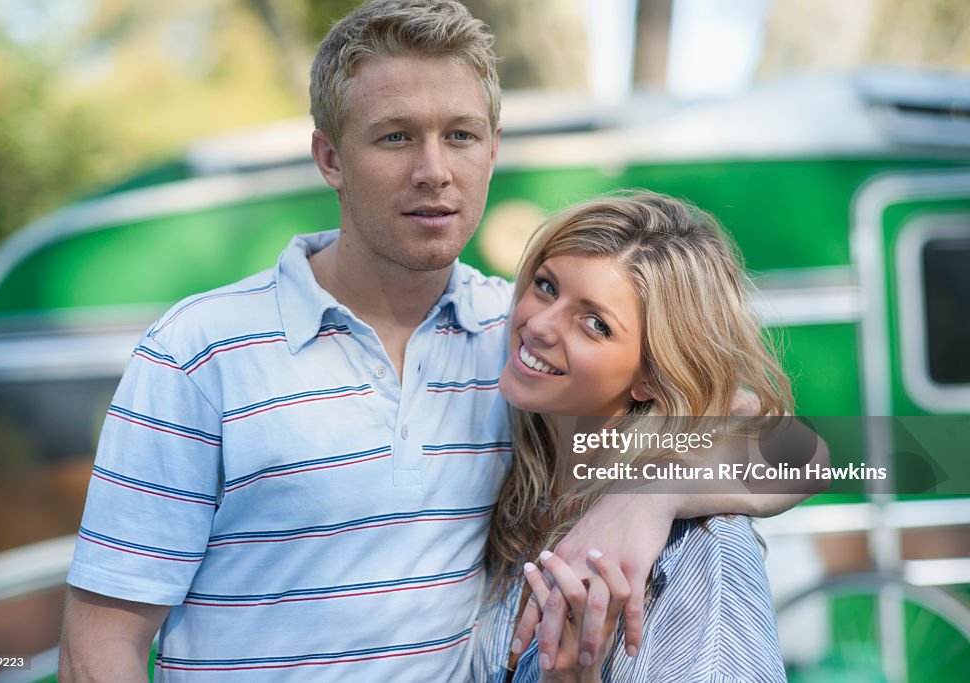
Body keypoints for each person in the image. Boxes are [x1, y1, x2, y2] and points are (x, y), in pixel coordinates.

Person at [58, 2, 818, 681]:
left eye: (461, 135)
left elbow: (795, 447)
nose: (434, 171)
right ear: (330, 157)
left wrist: (644, 494)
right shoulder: (198, 353)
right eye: (394, 137)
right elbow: (100, 648)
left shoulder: (516, 339)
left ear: (492, 150)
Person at [472, 193, 793, 682]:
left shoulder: (702, 550)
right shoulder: (528, 488)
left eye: (595, 324)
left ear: (652, 373)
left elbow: (801, 453)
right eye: (545, 286)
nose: (537, 325)